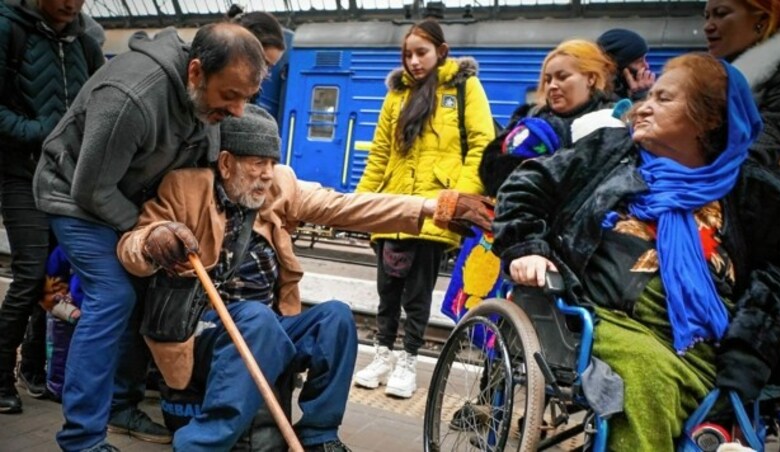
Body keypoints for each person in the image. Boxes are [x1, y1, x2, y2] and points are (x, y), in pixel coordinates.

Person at [115, 104, 491, 451]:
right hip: (202, 327)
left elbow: (345, 206)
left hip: (262, 327)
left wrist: (430, 207)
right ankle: (203, 443)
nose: (266, 175)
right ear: (226, 163)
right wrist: (153, 240)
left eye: (271, 163)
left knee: (335, 317)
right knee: (256, 319)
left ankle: (319, 435)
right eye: (257, 163)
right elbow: (133, 244)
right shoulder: (185, 188)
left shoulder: (280, 185)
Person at [492, 53, 780, 451]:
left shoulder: (754, 193)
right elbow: (525, 187)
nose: (644, 107)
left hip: (712, 342)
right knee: (647, 374)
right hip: (601, 315)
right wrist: (526, 247)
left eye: (664, 99)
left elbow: (779, 282)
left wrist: (746, 361)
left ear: (710, 119)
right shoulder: (607, 151)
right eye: (649, 95)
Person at [32, 22, 266, 452]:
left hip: (129, 199)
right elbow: (91, 189)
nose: (237, 112)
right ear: (195, 73)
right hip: (74, 198)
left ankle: (121, 405)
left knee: (150, 289)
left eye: (246, 100)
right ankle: (81, 438)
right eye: (230, 96)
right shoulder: (131, 97)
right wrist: (152, 229)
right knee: (113, 295)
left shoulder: (205, 102)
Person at [353, 18, 495, 399]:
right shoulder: (396, 95)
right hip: (393, 206)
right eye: (408, 54)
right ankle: (382, 355)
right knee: (387, 290)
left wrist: (455, 200)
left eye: (422, 53)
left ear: (441, 52)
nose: (414, 62)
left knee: (417, 294)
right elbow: (380, 154)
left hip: (436, 208)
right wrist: (359, 203)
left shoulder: (464, 88)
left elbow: (482, 145)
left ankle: (409, 361)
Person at [0, 0, 103, 414]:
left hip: (68, 178)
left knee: (57, 272)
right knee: (29, 275)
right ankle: (2, 376)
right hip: (21, 171)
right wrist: (41, 131)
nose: (71, 3)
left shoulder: (86, 40)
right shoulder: (9, 28)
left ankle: (36, 366)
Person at [479, 39, 617, 197]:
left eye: (562, 77)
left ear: (590, 79)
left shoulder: (611, 122)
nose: (552, 85)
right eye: (548, 80)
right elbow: (491, 173)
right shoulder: (529, 117)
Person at [704, 0, 780, 179]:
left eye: (721, 13)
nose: (708, 26)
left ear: (762, 21)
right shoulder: (723, 75)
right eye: (707, 16)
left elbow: (765, 146)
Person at [597, 28, 655, 101]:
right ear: (618, 65)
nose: (646, 65)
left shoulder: (622, 90)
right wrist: (641, 96)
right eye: (638, 61)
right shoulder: (600, 98)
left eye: (645, 59)